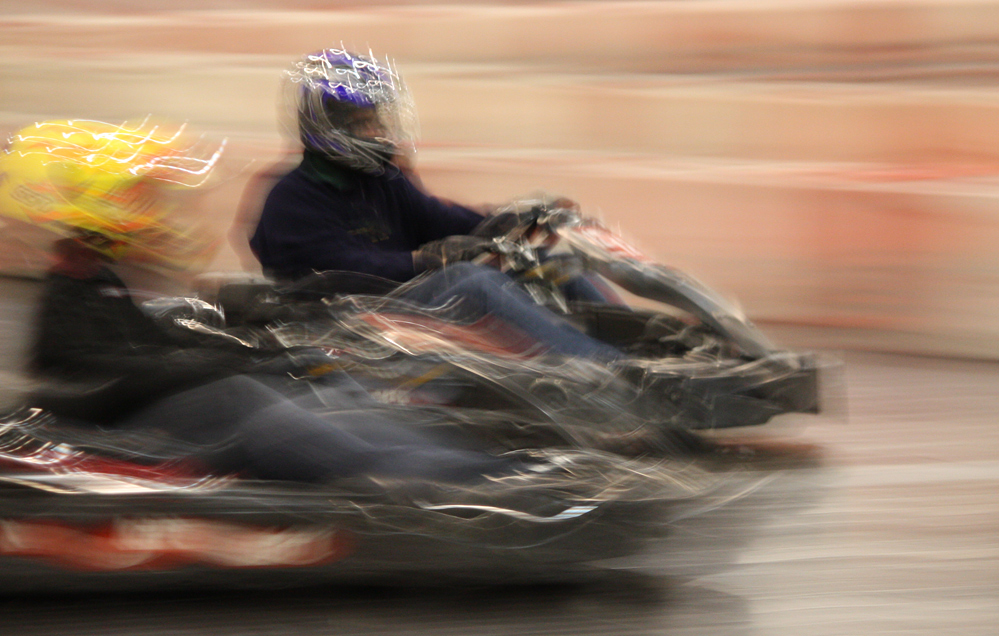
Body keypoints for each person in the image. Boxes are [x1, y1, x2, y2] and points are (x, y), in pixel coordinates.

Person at [3, 119, 519, 485]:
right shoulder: (68, 296)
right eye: (143, 198)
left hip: (193, 404)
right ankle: (472, 483)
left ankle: (489, 466)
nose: (158, 209)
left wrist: (256, 351)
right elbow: (94, 380)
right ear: (101, 208)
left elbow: (152, 344)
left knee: (321, 396)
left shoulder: (101, 283)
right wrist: (218, 362)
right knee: (270, 417)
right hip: (153, 429)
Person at [246, 48, 623, 361]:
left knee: (546, 265)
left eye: (377, 120)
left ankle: (638, 344)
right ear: (331, 129)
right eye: (364, 123)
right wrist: (423, 261)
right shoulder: (290, 198)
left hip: (407, 298)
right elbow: (335, 268)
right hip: (351, 318)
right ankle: (603, 367)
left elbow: (438, 218)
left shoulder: (381, 181)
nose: (378, 132)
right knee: (472, 281)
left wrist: (510, 220)